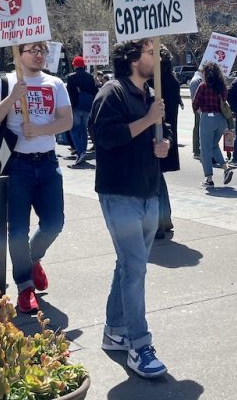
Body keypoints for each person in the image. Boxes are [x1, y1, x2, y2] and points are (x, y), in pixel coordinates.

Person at [90, 38, 171, 379]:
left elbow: (154, 136)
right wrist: (148, 119)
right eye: (151, 52)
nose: (157, 57)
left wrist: (163, 144)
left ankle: (114, 331)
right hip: (120, 193)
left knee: (127, 265)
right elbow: (105, 137)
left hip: (148, 192)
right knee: (135, 269)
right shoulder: (113, 92)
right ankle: (139, 344)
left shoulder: (149, 96)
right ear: (133, 58)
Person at [0, 41, 72, 313]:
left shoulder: (55, 84)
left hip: (47, 164)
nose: (39, 55)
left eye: (42, 51)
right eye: (33, 50)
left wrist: (43, 129)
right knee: (18, 230)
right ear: (18, 54)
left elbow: (66, 122)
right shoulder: (4, 83)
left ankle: (31, 260)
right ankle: (25, 286)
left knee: (54, 223)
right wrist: (12, 98)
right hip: (17, 166)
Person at [192, 62, 233, 187]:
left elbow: (195, 103)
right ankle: (226, 168)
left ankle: (209, 179)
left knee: (205, 149)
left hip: (207, 118)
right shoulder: (222, 87)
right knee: (214, 145)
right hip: (221, 119)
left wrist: (199, 110)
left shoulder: (203, 86)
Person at [157, 49, 183, 238]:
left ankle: (159, 222)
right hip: (169, 134)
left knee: (154, 180)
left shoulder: (156, 82)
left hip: (159, 134)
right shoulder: (172, 80)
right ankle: (164, 219)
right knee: (158, 179)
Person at [66, 55, 98, 165]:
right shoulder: (89, 77)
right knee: (84, 129)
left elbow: (69, 93)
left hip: (76, 106)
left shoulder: (71, 77)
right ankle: (83, 150)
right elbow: (94, 91)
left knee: (74, 129)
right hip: (87, 107)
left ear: (74, 65)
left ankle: (80, 151)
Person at [189, 68, 203, 158]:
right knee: (198, 127)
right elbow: (195, 97)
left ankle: (198, 149)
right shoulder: (197, 80)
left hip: (199, 107)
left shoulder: (197, 79)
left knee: (199, 127)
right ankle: (197, 150)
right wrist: (198, 109)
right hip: (199, 108)